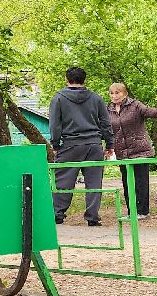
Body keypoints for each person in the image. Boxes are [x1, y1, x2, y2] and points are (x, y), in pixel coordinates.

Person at [48, 66, 113, 226]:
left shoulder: (58, 98)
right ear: (85, 80)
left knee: (63, 180)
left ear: (66, 79)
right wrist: (109, 143)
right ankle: (92, 217)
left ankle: (58, 214)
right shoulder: (96, 98)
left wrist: (55, 144)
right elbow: (105, 123)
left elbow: (55, 124)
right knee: (94, 181)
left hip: (70, 144)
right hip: (93, 144)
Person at [106, 82, 157, 219]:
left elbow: (148, 111)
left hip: (140, 150)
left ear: (124, 93)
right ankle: (132, 211)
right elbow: (108, 130)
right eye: (112, 93)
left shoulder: (135, 105)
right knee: (127, 182)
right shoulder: (108, 110)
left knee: (141, 182)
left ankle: (143, 212)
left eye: (117, 92)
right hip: (122, 152)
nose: (114, 96)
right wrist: (109, 147)